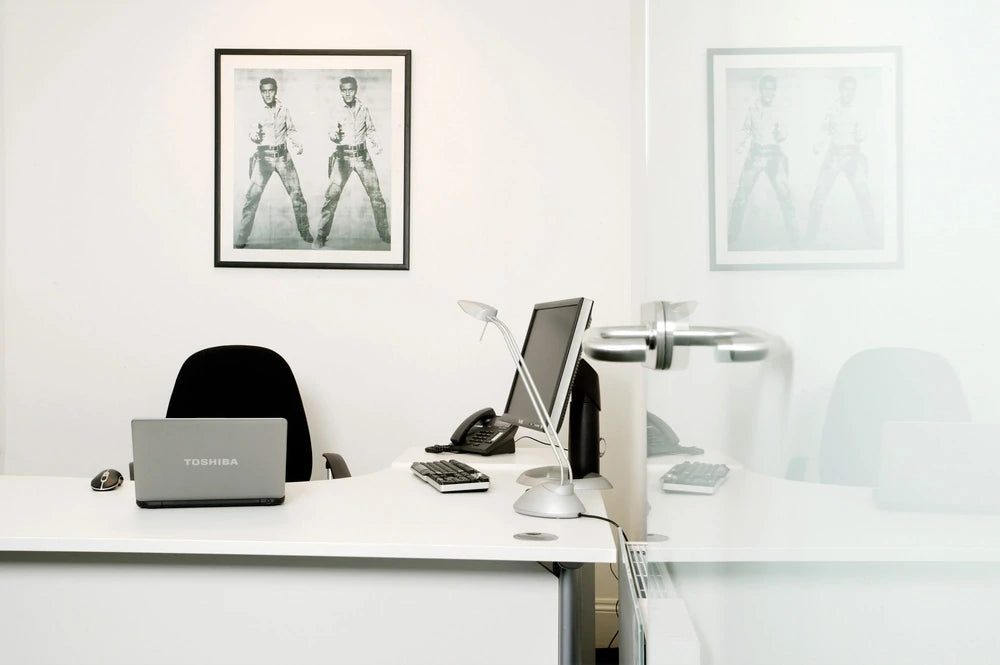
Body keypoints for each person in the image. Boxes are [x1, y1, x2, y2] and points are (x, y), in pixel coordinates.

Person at [236, 77, 313, 248]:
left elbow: (291, 130)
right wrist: (255, 136)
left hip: (283, 157)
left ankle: (305, 231)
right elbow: (252, 132)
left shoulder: (284, 109)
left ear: (275, 91)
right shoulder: (257, 111)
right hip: (264, 158)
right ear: (261, 92)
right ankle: (242, 236)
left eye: (270, 91)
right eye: (264, 91)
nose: (267, 94)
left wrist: (298, 143)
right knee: (252, 197)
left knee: (297, 195)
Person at [314, 76, 389, 248]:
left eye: (351, 90)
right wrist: (335, 135)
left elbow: (370, 129)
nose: (348, 93)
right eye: (344, 90)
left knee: (377, 196)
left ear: (355, 90)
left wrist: (377, 143)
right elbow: (331, 131)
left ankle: (385, 234)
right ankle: (321, 235)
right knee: (332, 196)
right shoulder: (336, 110)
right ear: (340, 91)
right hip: (343, 157)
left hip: (363, 156)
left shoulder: (363, 108)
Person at [805, 75, 878, 247]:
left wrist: (861, 134)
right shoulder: (832, 108)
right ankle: (810, 238)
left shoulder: (860, 109)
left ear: (855, 91)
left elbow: (864, 134)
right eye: (845, 89)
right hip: (834, 155)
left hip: (853, 156)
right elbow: (824, 130)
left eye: (852, 89)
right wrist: (818, 144)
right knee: (818, 196)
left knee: (864, 195)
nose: (848, 93)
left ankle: (874, 236)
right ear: (840, 90)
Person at [728, 75, 799, 248]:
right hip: (755, 155)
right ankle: (731, 236)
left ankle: (795, 238)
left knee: (785, 196)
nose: (769, 92)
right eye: (766, 89)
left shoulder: (778, 110)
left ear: (775, 91)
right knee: (740, 196)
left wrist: (780, 133)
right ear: (761, 90)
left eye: (772, 89)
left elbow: (784, 134)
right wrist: (740, 144)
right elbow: (746, 129)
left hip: (774, 156)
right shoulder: (752, 108)